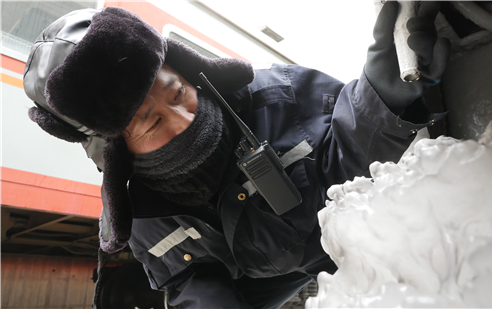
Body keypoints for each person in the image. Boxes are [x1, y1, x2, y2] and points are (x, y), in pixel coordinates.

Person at [23, 2, 450, 308]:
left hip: (365, 241)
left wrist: (385, 88)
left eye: (178, 93)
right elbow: (187, 276)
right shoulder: (141, 219)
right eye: (151, 124)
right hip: (265, 279)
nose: (183, 119)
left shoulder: (281, 95)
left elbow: (350, 142)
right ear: (117, 149)